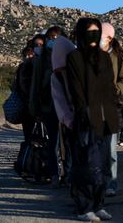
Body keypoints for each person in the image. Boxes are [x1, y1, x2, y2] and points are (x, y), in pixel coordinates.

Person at [66, 18, 117, 221]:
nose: (94, 36)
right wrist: (82, 111)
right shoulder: (74, 57)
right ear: (80, 34)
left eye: (97, 32)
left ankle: (98, 203)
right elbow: (75, 89)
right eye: (89, 32)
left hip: (106, 117)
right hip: (86, 116)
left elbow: (109, 86)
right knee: (86, 162)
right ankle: (83, 206)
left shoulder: (104, 58)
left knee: (103, 163)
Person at [29, 26, 65, 188]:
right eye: (50, 38)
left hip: (66, 107)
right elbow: (35, 85)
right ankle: (54, 174)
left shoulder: (68, 57)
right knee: (52, 142)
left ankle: (68, 173)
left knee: (66, 143)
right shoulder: (41, 60)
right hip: (48, 106)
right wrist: (35, 108)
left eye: (56, 37)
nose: (52, 41)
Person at [99, 23, 123, 196]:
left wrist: (113, 90)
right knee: (95, 148)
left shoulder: (119, 57)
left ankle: (111, 183)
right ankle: (97, 182)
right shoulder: (90, 54)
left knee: (110, 149)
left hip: (111, 107)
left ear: (109, 38)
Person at [50, 36, 76, 187]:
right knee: (63, 146)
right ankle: (67, 176)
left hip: (80, 115)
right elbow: (59, 99)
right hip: (67, 117)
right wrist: (68, 119)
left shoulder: (76, 70)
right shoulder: (56, 76)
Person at [16, 45, 35, 141]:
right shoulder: (22, 67)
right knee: (28, 134)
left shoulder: (37, 67)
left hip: (35, 103)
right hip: (26, 104)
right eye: (25, 56)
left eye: (30, 55)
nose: (27, 57)